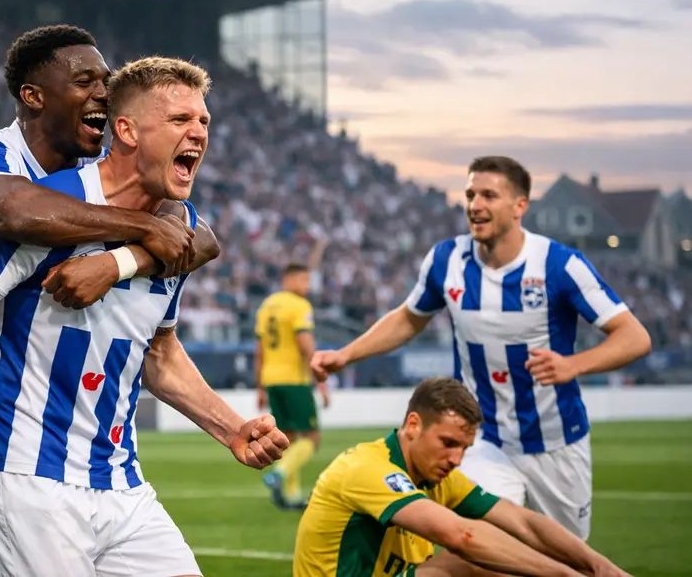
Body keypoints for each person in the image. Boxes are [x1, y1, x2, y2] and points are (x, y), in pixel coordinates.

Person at [0, 26, 221, 576]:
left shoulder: (84, 179)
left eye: (106, 81)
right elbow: (14, 210)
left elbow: (199, 237)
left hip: (10, 428)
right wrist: (145, 231)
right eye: (84, 81)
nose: (102, 92)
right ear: (33, 95)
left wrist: (123, 258)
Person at [310, 156, 652, 540]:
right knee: (479, 547)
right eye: (471, 194)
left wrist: (574, 365)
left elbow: (635, 337)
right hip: (483, 441)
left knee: (564, 554)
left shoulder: (559, 265)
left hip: (555, 441)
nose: (475, 205)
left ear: (519, 206)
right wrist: (346, 354)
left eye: (489, 195)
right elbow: (409, 318)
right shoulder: (447, 260)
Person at [293, 377, 632, 577]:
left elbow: (523, 522)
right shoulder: (368, 468)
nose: (456, 459)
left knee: (494, 562)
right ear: (413, 425)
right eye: (448, 443)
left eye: (464, 448)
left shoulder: (438, 475)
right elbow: (463, 536)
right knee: (474, 561)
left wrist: (600, 567)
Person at [256, 262, 329, 510]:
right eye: (304, 280)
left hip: (272, 379)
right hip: (295, 380)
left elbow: (260, 350)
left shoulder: (266, 306)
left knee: (287, 437)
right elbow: (305, 343)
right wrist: (321, 381)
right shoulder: (299, 306)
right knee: (312, 438)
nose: (307, 286)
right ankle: (280, 474)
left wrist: (260, 387)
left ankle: (292, 495)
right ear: (290, 279)